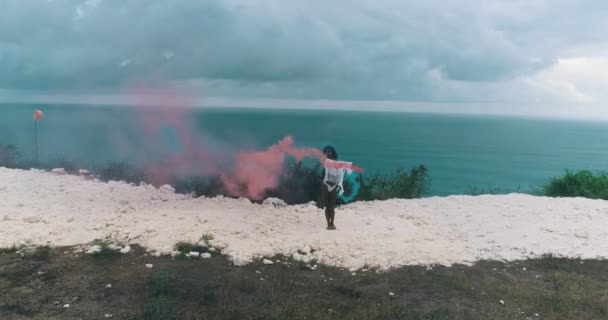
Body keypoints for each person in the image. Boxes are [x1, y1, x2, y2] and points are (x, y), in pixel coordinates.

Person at [321, 145, 340, 230]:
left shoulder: (336, 163)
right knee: (327, 205)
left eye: (330, 151)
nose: (328, 153)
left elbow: (338, 175)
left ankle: (332, 223)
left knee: (331, 205)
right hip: (325, 185)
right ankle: (328, 223)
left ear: (333, 153)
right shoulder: (325, 163)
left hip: (333, 185)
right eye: (327, 152)